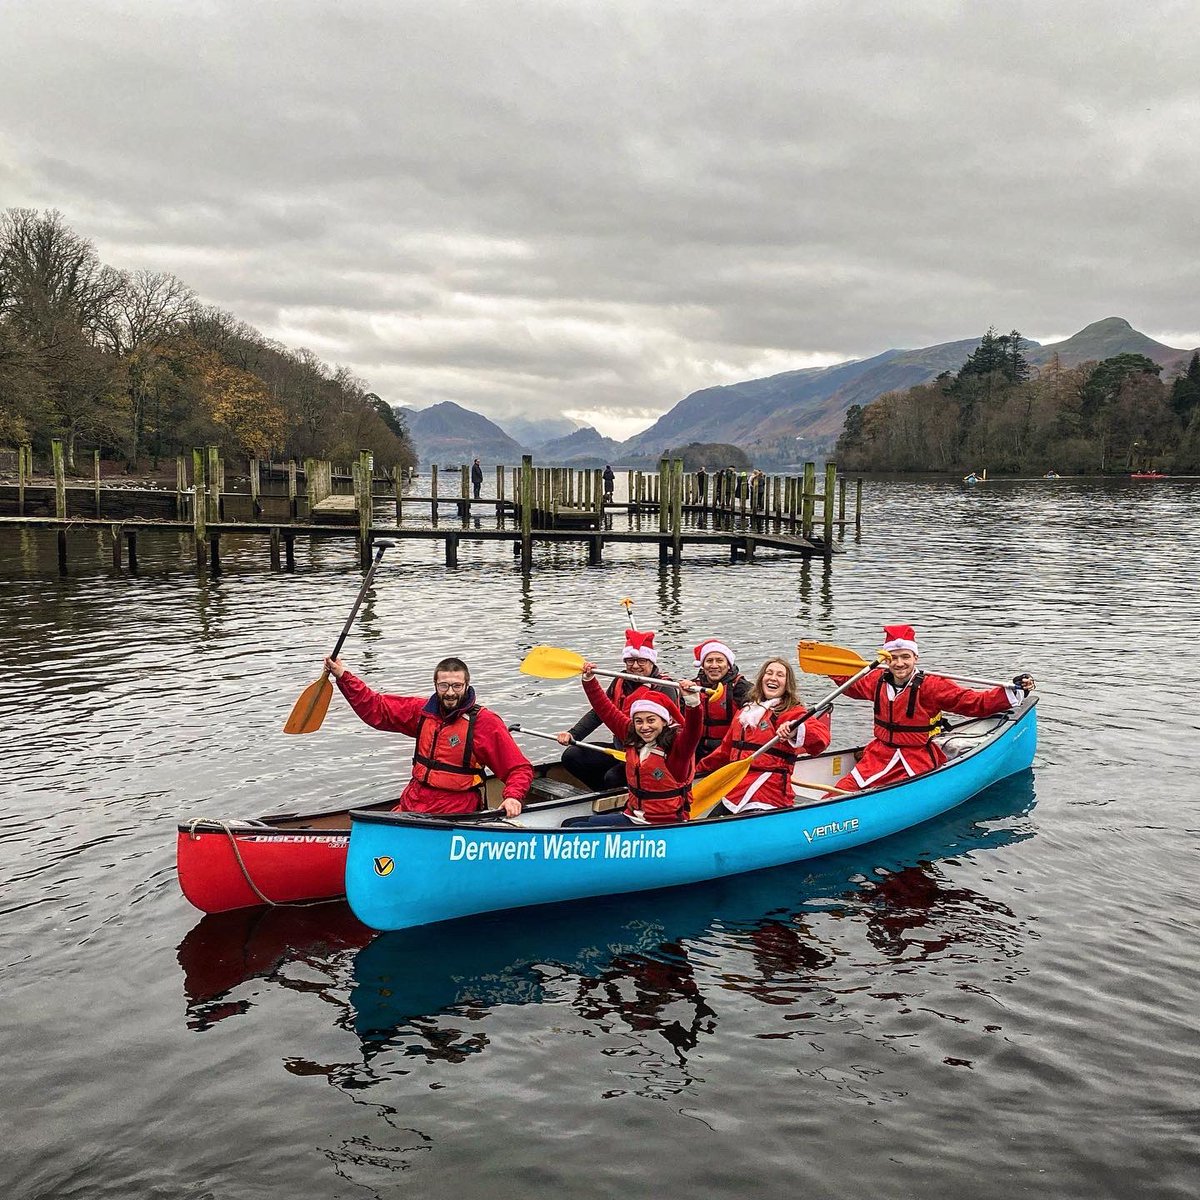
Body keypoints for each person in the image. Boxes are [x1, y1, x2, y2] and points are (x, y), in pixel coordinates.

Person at [829, 624, 1035, 792]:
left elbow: (972, 702)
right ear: (885, 660)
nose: (899, 663)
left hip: (916, 759)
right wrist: (832, 671)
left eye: (905, 657)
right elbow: (851, 685)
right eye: (893, 657)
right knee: (840, 790)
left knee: (885, 791)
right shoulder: (876, 680)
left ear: (915, 658)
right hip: (878, 755)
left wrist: (1013, 691)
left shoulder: (932, 686)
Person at [323, 655, 531, 817]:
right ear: (435, 685)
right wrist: (343, 676)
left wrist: (513, 796)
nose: (450, 692)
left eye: (457, 686)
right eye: (444, 686)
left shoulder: (484, 722)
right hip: (414, 801)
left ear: (467, 685)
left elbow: (519, 768)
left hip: (456, 810)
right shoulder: (421, 712)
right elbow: (377, 708)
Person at [697, 658, 831, 816]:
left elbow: (822, 738)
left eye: (780, 675)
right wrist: (695, 773)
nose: (773, 678)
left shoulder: (790, 712)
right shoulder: (745, 712)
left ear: (787, 684)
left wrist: (795, 730)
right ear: (761, 680)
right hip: (738, 785)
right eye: (769, 673)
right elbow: (724, 752)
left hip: (769, 790)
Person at [562, 677, 702, 826]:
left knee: (577, 828)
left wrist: (692, 702)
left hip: (662, 824)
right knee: (570, 823)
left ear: (664, 721)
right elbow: (605, 709)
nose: (645, 727)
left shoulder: (677, 749)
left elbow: (693, 730)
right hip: (632, 816)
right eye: (639, 721)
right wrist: (589, 681)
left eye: (651, 720)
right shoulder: (632, 736)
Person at [555, 629, 675, 790]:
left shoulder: (665, 687)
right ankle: (603, 794)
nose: (635, 666)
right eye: (630, 661)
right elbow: (600, 712)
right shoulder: (620, 680)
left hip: (650, 754)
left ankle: (619, 794)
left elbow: (671, 730)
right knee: (572, 756)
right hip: (621, 748)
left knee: (613, 777)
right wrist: (573, 734)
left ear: (651, 661)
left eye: (641, 661)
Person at [691, 638, 752, 758]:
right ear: (702, 665)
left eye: (719, 661)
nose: (714, 665)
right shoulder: (693, 688)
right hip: (698, 748)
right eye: (709, 661)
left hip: (731, 748)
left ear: (728, 665)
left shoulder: (742, 688)